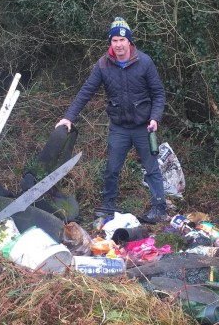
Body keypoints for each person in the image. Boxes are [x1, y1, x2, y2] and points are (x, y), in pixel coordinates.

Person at [55, 17, 168, 223]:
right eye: (114, 40)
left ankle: (159, 209)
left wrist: (155, 118)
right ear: (111, 42)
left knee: (152, 169)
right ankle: (108, 207)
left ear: (129, 42)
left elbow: (158, 93)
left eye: (122, 40)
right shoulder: (103, 65)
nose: (118, 44)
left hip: (144, 126)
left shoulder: (144, 62)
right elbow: (86, 91)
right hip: (119, 127)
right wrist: (68, 117)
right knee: (112, 169)